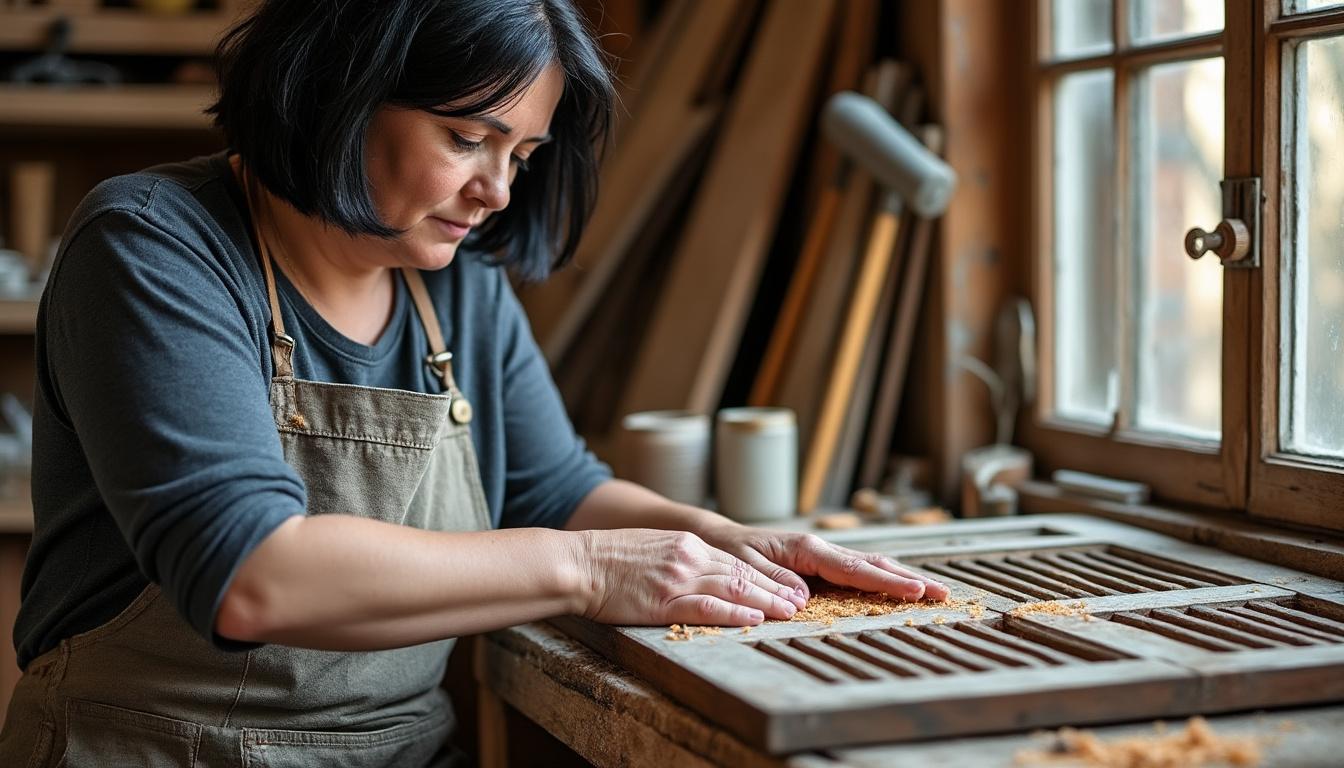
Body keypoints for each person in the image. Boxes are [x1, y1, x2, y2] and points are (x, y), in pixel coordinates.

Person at [0, 1, 949, 765]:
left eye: (521, 157)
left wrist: (730, 541)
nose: (497, 191)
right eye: (466, 138)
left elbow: (553, 488)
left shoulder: (455, 284)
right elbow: (252, 576)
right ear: (341, 87)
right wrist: (591, 570)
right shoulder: (153, 245)